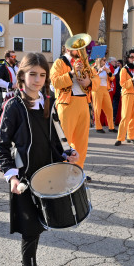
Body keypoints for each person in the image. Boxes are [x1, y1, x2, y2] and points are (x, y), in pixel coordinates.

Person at [0, 52, 77, 266]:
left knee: (37, 228)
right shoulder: (13, 106)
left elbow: (53, 139)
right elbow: (1, 146)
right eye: (32, 74)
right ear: (22, 75)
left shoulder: (48, 102)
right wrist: (11, 177)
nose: (38, 79)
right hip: (24, 179)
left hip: (45, 174)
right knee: (30, 232)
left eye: (42, 75)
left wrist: (65, 154)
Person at [50, 39, 99, 170]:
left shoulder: (85, 62)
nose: (80, 51)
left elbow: (96, 80)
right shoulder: (59, 63)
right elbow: (55, 82)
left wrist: (89, 82)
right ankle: (63, 170)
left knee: (81, 142)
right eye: (77, 48)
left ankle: (78, 170)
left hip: (83, 102)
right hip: (66, 104)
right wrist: (71, 73)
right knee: (64, 141)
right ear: (68, 49)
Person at [115, 50, 134, 146]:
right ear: (127, 58)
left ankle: (130, 137)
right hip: (127, 94)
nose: (133, 59)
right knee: (125, 117)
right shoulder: (124, 70)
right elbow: (123, 84)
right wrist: (132, 79)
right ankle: (120, 138)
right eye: (131, 57)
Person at [91, 57, 115, 133]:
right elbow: (91, 78)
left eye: (105, 60)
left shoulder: (106, 68)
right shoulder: (93, 68)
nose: (105, 61)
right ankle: (98, 127)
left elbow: (112, 78)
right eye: (104, 60)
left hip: (105, 89)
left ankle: (111, 127)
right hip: (97, 89)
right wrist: (98, 72)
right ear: (99, 60)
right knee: (97, 109)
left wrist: (109, 72)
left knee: (109, 108)